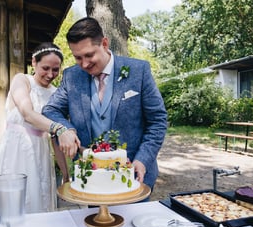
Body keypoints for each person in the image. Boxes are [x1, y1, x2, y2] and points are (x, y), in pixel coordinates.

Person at [42, 17, 167, 192]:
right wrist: (64, 129)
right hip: (91, 178)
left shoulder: (139, 71)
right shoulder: (72, 76)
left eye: (89, 55)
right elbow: (50, 109)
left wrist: (142, 159)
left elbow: (158, 121)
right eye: (78, 57)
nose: (84, 64)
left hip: (135, 174)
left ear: (105, 44)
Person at [0, 42, 72, 214]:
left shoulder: (56, 93)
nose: (51, 74)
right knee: (17, 201)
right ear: (34, 62)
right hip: (16, 151)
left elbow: (56, 139)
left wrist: (65, 174)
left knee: (41, 199)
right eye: (46, 68)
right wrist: (59, 128)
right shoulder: (22, 80)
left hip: (41, 152)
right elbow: (27, 113)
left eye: (55, 69)